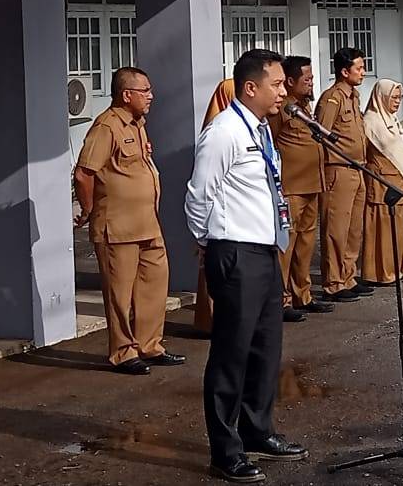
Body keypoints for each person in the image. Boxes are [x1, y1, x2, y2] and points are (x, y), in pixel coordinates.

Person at [186, 50, 309, 483]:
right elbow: (199, 194)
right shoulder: (223, 132)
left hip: (264, 251)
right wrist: (208, 242)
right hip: (235, 252)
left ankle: (258, 430)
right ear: (250, 87)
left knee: (265, 349)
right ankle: (225, 450)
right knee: (231, 355)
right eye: (276, 84)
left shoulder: (259, 128)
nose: (283, 91)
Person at [74, 67, 186, 375]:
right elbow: (84, 173)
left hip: (147, 223)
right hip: (117, 227)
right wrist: (87, 209)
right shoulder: (106, 126)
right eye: (145, 91)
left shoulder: (138, 124)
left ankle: (150, 345)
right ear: (127, 95)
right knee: (119, 295)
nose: (151, 96)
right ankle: (123, 352)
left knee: (154, 285)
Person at [268, 56, 334, 322]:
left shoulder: (304, 107)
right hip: (291, 187)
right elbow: (270, 141)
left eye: (312, 79)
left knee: (306, 244)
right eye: (306, 79)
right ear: (290, 81)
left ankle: (302, 294)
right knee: (287, 245)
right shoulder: (283, 109)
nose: (311, 83)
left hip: (312, 184)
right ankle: (281, 300)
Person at [315, 48, 374, 303]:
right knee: (336, 228)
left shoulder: (353, 97)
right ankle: (334, 281)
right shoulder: (333, 98)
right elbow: (320, 133)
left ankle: (348, 276)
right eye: (358, 68)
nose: (362, 72)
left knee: (353, 229)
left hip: (357, 168)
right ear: (344, 71)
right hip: (338, 169)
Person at [361, 79, 403, 286]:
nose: (397, 102)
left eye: (399, 98)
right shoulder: (371, 121)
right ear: (382, 97)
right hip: (381, 181)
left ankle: (398, 267)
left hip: (398, 180)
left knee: (397, 227)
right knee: (382, 227)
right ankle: (380, 272)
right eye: (393, 97)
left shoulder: (392, 119)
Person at [193, 78, 236, 335]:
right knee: (212, 267)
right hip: (217, 210)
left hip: (235, 211)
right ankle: (209, 321)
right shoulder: (217, 134)